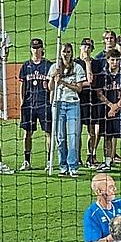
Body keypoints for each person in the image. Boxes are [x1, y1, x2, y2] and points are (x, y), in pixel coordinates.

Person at [48, 42, 87, 177]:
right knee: (60, 137)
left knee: (73, 136)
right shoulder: (54, 67)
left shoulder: (77, 68)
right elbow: (50, 88)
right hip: (58, 103)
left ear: (72, 53)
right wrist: (53, 77)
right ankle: (62, 165)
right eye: (64, 51)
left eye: (68, 52)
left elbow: (79, 88)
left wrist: (63, 82)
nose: (66, 54)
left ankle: (73, 165)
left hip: (72, 104)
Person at [95, 49, 121, 173]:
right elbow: (99, 93)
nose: (115, 62)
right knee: (108, 137)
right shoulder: (102, 75)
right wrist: (110, 105)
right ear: (107, 60)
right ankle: (107, 162)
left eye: (117, 60)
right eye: (112, 60)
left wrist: (116, 106)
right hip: (107, 110)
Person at [18, 38, 53, 172]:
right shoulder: (26, 66)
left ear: (42, 49)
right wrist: (22, 101)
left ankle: (49, 161)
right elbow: (22, 85)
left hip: (44, 104)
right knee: (27, 132)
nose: (36, 50)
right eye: (34, 48)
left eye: (38, 48)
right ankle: (26, 161)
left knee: (48, 132)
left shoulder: (49, 65)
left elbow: (53, 85)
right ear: (30, 49)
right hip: (29, 104)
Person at [75, 38, 104, 168]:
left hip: (92, 100)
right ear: (80, 47)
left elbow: (91, 81)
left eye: (89, 47)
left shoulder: (96, 63)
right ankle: (77, 157)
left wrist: (87, 63)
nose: (86, 49)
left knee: (92, 130)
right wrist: (81, 83)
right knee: (77, 130)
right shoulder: (75, 63)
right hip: (78, 99)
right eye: (84, 46)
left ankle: (90, 155)